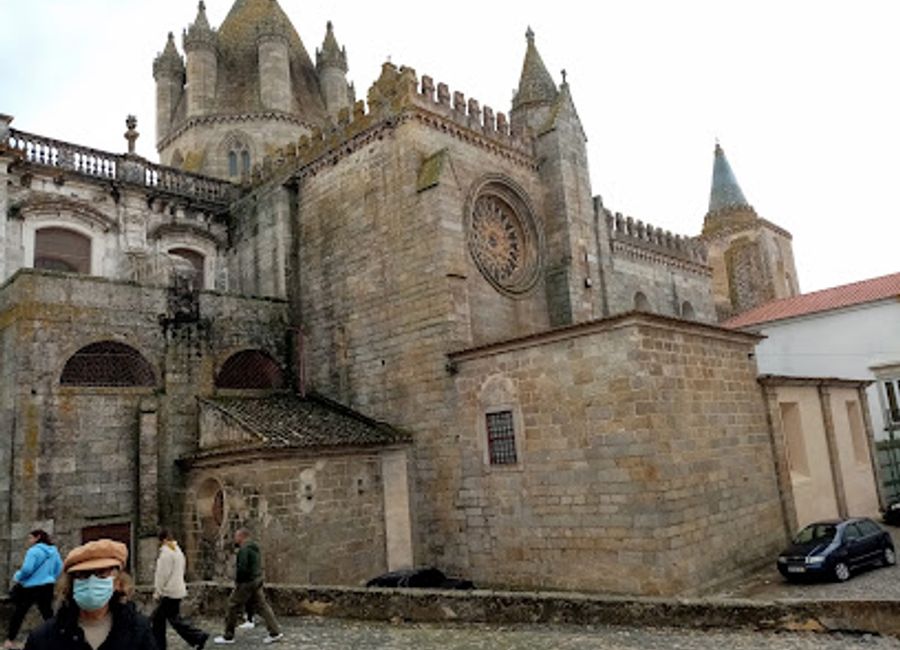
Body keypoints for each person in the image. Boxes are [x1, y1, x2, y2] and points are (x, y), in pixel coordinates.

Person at [23, 539, 156, 650]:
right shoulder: (44, 638)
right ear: (71, 584)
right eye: (83, 575)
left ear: (118, 582)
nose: (92, 581)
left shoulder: (139, 630)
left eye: (101, 573)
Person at [213, 529, 282, 645]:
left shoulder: (244, 549)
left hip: (247, 582)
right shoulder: (255, 548)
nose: (235, 539)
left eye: (236, 536)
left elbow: (242, 568)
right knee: (262, 606)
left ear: (241, 537)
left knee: (232, 606)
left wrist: (238, 582)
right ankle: (275, 632)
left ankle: (228, 636)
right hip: (256, 579)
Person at [5, 530, 63, 649]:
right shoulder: (54, 551)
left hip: (30, 587)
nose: (29, 541)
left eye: (30, 538)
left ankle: (10, 640)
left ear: (38, 537)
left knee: (19, 613)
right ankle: (58, 638)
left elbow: (27, 569)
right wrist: (51, 577)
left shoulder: (34, 551)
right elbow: (60, 567)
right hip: (47, 586)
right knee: (48, 613)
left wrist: (18, 576)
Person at [152, 529, 208, 650]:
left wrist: (158, 592)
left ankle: (197, 636)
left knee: (161, 620)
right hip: (178, 589)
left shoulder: (166, 553)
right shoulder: (178, 551)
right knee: (171, 619)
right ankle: (197, 637)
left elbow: (162, 575)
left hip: (169, 592)